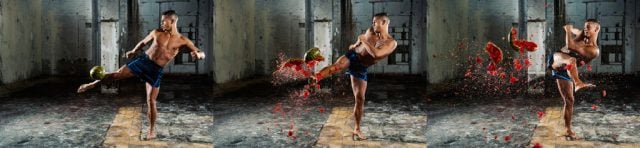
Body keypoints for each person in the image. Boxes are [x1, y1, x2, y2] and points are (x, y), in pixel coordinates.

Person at [77, 10, 205, 140]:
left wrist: (199, 55)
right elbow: (144, 42)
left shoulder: (183, 41)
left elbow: (200, 52)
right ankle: (91, 84)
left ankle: (151, 130)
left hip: (155, 70)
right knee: (116, 75)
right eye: (161, 20)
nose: (161, 22)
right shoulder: (156, 32)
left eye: (164, 20)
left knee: (151, 101)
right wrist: (134, 51)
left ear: (172, 21)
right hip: (143, 62)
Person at [311, 12, 397, 140]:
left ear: (384, 22)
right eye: (372, 22)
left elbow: (376, 55)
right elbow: (361, 38)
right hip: (353, 56)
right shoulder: (370, 31)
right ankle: (315, 78)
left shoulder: (391, 43)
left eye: (375, 22)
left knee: (360, 98)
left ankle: (357, 129)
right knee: (337, 66)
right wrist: (356, 44)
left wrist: (363, 40)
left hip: (361, 67)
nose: (373, 24)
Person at [548, 19, 600, 140]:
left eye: (588, 27)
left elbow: (571, 45)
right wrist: (571, 29)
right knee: (571, 60)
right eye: (585, 27)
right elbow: (575, 31)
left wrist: (567, 30)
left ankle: (567, 129)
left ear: (596, 29)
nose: (585, 30)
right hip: (558, 59)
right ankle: (577, 83)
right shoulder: (582, 33)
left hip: (567, 70)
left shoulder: (593, 50)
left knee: (569, 100)